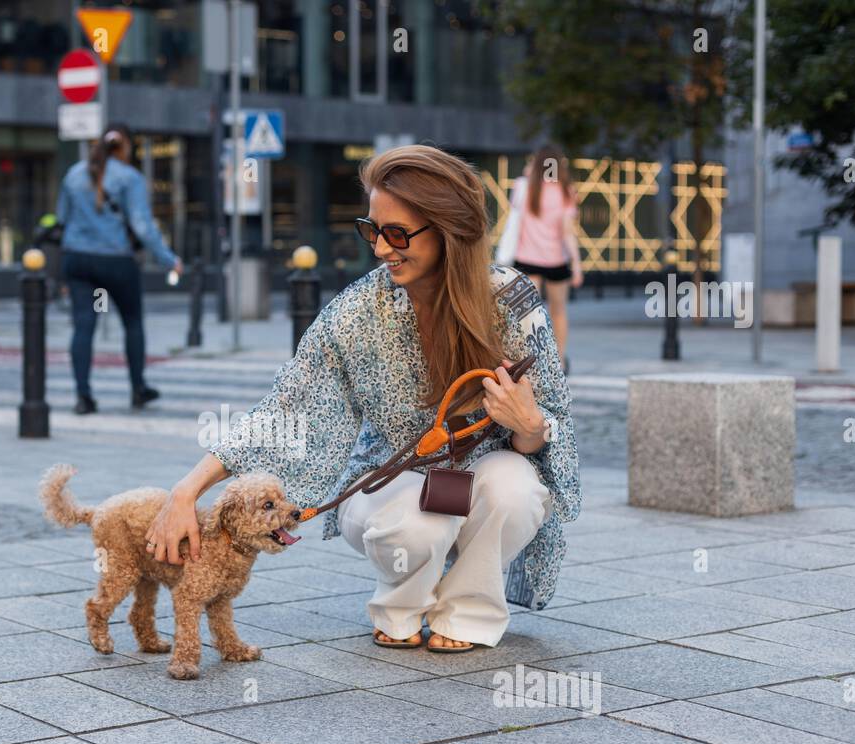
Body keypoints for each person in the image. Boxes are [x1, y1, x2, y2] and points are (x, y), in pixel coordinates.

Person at [144, 144, 579, 652]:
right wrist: (185, 491)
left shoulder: (512, 299)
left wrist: (528, 425)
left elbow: (552, 425)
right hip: (389, 483)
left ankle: (467, 611)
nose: (379, 248)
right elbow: (285, 408)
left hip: (483, 478)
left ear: (449, 231)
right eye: (371, 229)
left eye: (397, 234)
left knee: (515, 490)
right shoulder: (357, 311)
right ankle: (400, 605)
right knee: (417, 523)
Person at [56, 123, 181, 414]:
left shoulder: (73, 174)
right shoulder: (130, 177)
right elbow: (142, 225)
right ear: (126, 147)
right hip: (116, 261)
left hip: (77, 258)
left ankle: (83, 396)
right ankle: (138, 389)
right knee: (133, 322)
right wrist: (168, 258)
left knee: (83, 326)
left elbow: (62, 218)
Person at [510, 144, 582, 373]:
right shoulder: (565, 191)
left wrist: (530, 171)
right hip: (556, 261)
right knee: (558, 311)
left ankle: (529, 361)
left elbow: (515, 214)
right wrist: (577, 264)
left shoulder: (522, 187)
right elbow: (568, 233)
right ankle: (559, 360)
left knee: (528, 314)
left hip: (526, 259)